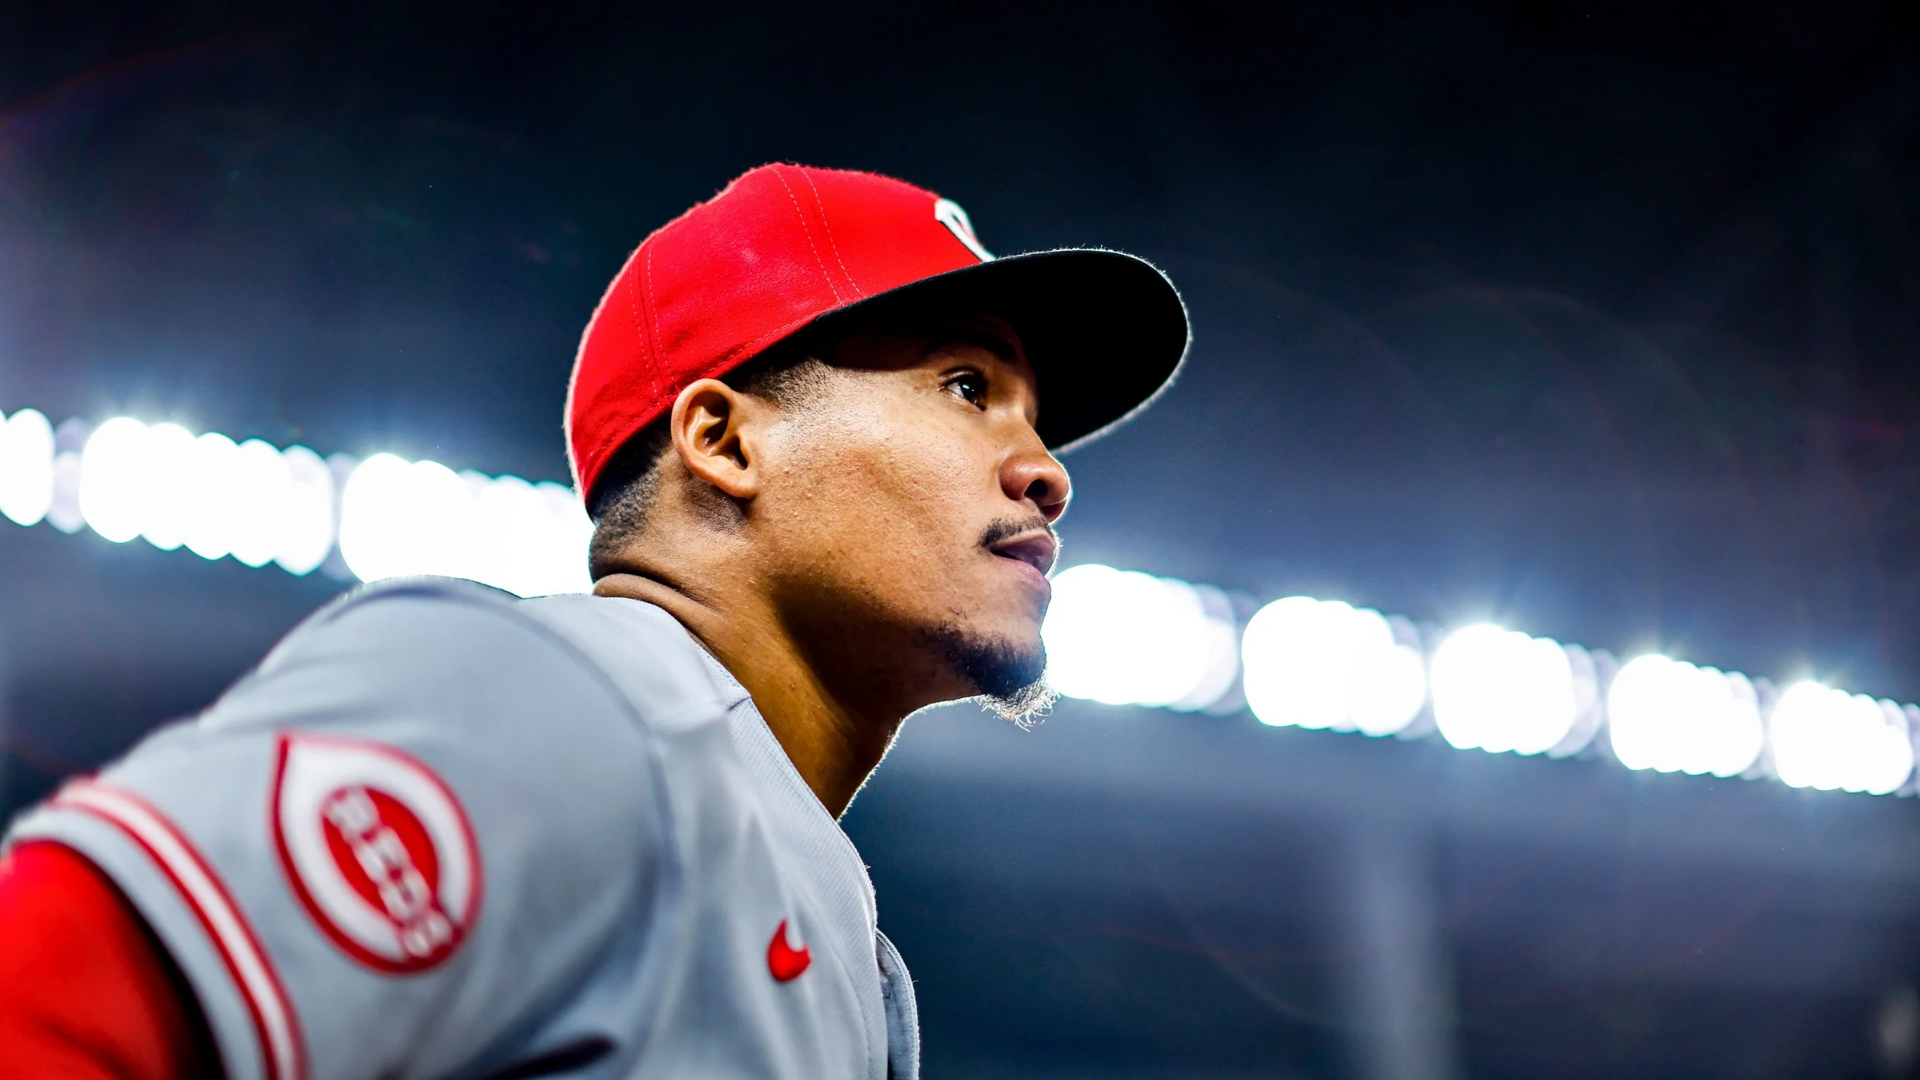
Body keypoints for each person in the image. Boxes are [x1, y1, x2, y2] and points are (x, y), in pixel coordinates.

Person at [0, 163, 1188, 1080]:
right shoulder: (576, 699)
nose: (1045, 472)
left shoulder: (839, 937)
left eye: (1034, 419)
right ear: (725, 443)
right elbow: (51, 986)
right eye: (967, 388)